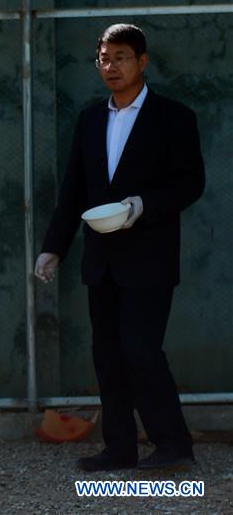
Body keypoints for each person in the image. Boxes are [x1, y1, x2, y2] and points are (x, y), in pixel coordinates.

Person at [35, 24, 205, 471]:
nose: (111, 66)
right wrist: (53, 247)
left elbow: (191, 182)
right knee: (107, 355)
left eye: (121, 57)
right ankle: (120, 447)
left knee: (141, 350)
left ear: (142, 62)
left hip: (149, 259)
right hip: (101, 260)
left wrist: (143, 205)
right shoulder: (91, 120)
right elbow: (74, 190)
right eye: (104, 59)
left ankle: (174, 446)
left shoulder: (174, 117)